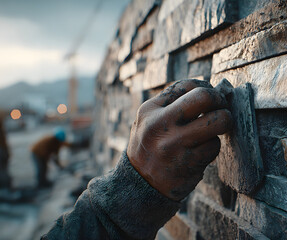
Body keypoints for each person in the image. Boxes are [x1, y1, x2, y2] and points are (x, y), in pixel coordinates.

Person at [42, 79, 233, 239]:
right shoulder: (47, 144)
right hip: (40, 157)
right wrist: (132, 189)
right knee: (39, 170)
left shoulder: (55, 142)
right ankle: (40, 181)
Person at [0, 113, 11, 189]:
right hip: (3, 149)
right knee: (3, 170)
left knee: (3, 170)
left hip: (2, 150)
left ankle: (5, 187)